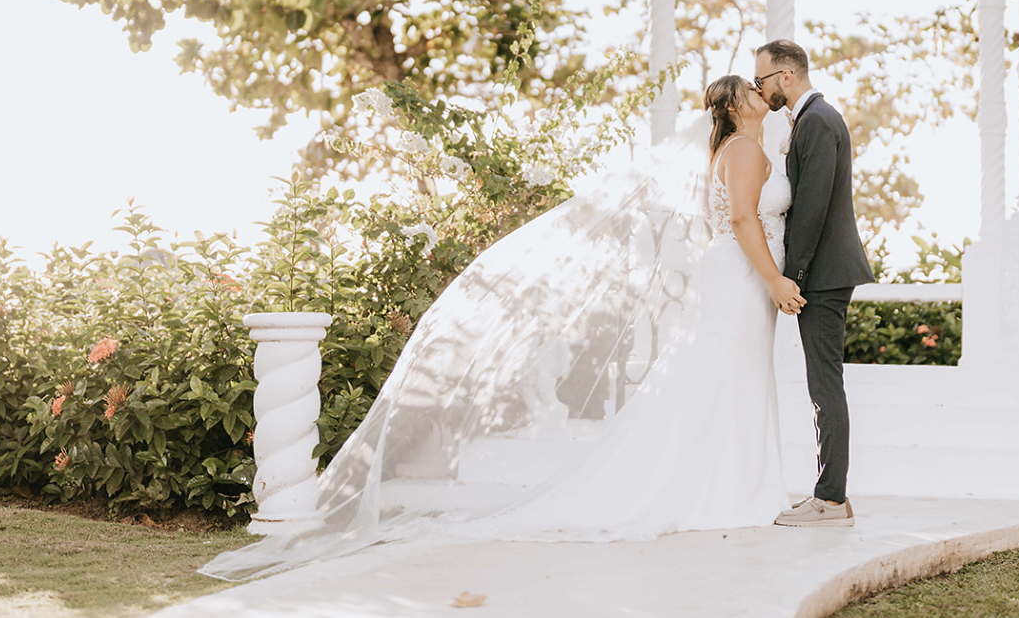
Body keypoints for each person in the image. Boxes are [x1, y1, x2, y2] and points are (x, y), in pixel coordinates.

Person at [201, 73, 806, 580]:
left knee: (726, 379)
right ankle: (728, 489)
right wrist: (776, 280)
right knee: (728, 377)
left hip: (731, 276)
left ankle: (733, 484)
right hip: (744, 276)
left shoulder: (735, 150)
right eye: (750, 90)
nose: (760, 92)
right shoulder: (746, 151)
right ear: (732, 107)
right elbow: (746, 221)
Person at [754, 39, 875, 529]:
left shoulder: (819, 121)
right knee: (822, 382)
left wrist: (791, 277)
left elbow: (812, 208)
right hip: (822, 272)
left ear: (786, 76)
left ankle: (829, 499)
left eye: (762, 80)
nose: (760, 90)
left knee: (825, 383)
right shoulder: (810, 120)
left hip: (823, 274)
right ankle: (831, 496)